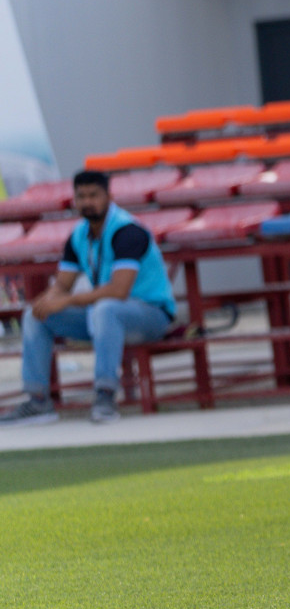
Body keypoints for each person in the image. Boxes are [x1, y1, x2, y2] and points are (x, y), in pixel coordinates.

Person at [0, 170, 176, 426]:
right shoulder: (79, 235)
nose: (87, 202)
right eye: (81, 196)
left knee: (106, 309)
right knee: (35, 315)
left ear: (109, 196)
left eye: (94, 195)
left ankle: (105, 396)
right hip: (103, 316)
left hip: (151, 316)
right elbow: (62, 284)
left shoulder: (128, 231)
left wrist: (66, 300)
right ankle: (37, 402)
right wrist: (45, 301)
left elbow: (119, 291)